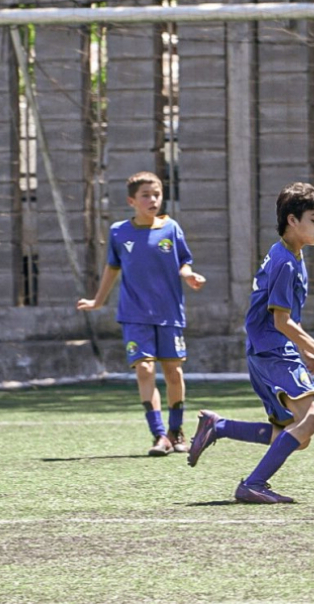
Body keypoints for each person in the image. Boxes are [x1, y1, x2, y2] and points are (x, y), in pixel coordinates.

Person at [186, 182, 314, 503]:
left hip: (269, 351)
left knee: (294, 437)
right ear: (293, 220)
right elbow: (281, 321)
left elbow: (285, 317)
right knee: (312, 420)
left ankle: (218, 427)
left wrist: (304, 350)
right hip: (274, 351)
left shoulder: (288, 253)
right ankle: (253, 484)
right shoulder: (286, 263)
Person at [77, 171, 206, 457]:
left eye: (157, 194)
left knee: (173, 372)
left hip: (169, 313)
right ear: (132, 201)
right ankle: (159, 434)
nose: (153, 200)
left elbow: (183, 261)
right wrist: (98, 301)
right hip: (134, 314)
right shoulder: (118, 232)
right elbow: (112, 268)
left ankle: (176, 431)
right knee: (145, 369)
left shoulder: (171, 228)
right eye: (146, 195)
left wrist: (189, 276)